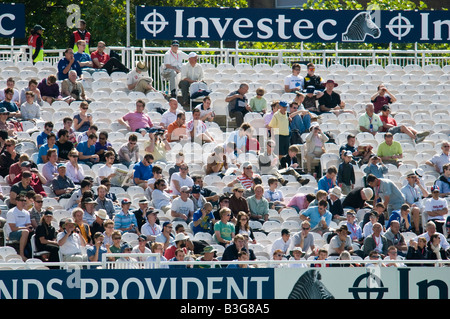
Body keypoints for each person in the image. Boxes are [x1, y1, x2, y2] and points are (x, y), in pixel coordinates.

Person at [6, 194, 32, 260]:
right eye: (21, 200)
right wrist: (26, 228)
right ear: (17, 201)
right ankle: (22, 254)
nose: (23, 202)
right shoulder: (11, 212)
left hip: (23, 232)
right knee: (25, 232)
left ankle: (34, 255)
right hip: (12, 234)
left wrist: (29, 228)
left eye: (24, 201)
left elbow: (28, 225)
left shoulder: (26, 213)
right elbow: (13, 228)